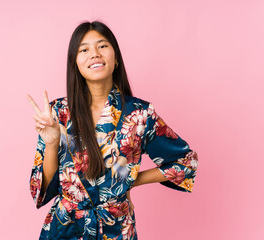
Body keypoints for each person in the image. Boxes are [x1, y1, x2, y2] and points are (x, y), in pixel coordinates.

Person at [27, 21, 198, 240]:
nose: (94, 54)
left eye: (102, 46)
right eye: (84, 49)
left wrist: (130, 180)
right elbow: (42, 190)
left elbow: (186, 162)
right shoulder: (58, 112)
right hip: (65, 229)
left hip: (115, 229)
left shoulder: (139, 114)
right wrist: (51, 143)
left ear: (116, 58)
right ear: (75, 63)